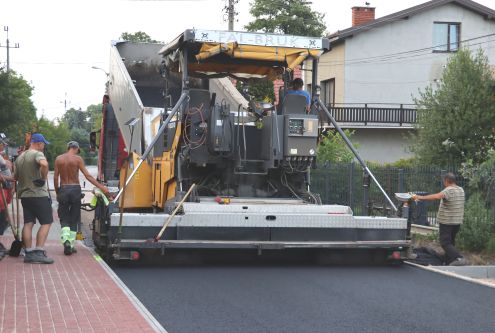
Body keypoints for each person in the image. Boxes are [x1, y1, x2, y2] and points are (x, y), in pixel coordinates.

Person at [54, 141, 110, 255]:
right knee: (74, 218)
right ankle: (71, 243)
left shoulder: (58, 159)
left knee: (64, 217)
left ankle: (65, 241)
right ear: (76, 148)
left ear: (68, 147)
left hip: (63, 189)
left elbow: (55, 177)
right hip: (75, 189)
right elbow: (87, 176)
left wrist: (57, 191)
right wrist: (101, 187)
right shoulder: (78, 159)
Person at [14, 133, 54, 264]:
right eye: (43, 144)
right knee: (46, 222)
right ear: (38, 143)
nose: (43, 147)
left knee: (28, 223)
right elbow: (44, 165)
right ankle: (38, 252)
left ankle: (29, 253)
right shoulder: (37, 154)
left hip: (25, 196)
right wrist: (42, 179)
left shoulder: (20, 157)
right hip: (38, 195)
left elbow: (15, 178)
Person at [412, 173, 466, 266]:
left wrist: (419, 197)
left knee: (445, 243)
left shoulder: (449, 190)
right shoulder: (461, 190)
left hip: (447, 222)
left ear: (446, 181)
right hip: (457, 222)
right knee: (451, 243)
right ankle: (448, 261)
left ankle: (459, 258)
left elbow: (436, 196)